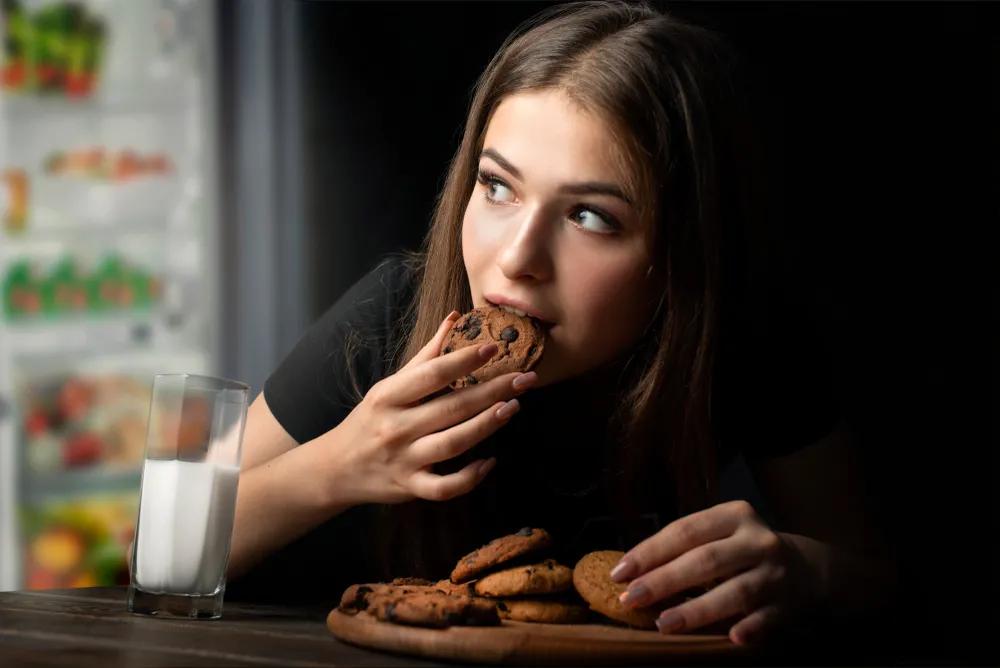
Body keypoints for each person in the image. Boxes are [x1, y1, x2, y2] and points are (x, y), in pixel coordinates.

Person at [226, 0, 896, 646]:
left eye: (590, 217)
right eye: (496, 187)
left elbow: (884, 587)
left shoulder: (746, 343)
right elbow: (153, 550)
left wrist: (811, 572)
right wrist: (339, 463)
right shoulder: (391, 318)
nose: (517, 258)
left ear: (683, 251)